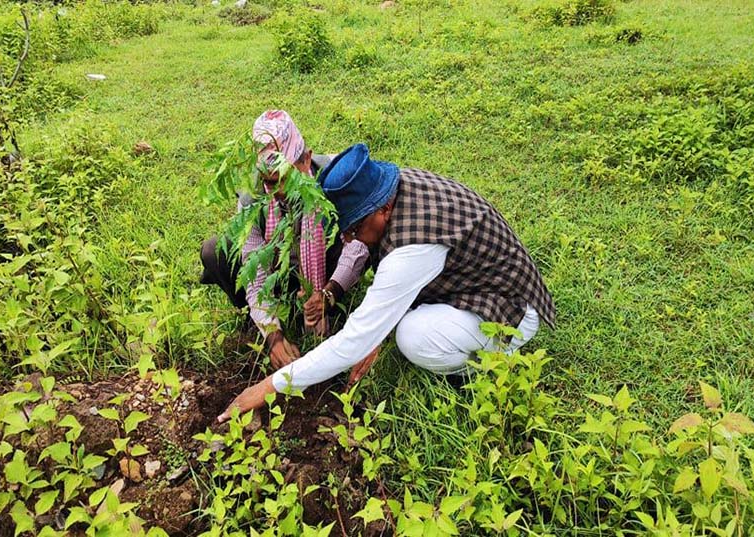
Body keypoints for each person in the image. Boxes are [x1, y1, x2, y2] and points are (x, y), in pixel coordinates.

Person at [217, 143, 556, 422]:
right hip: (473, 282)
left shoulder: (412, 247)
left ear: (381, 211)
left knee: (413, 337)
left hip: (509, 309)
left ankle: (486, 366)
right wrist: (378, 331)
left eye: (354, 230)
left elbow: (351, 342)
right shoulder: (398, 187)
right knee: (396, 324)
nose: (350, 239)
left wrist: (265, 389)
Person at [200, 111, 369, 368]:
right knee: (215, 251)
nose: (279, 192)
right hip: (278, 273)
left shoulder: (333, 177)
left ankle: (327, 308)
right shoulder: (253, 198)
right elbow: (255, 272)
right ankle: (256, 317)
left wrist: (329, 292)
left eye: (286, 179)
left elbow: (357, 244)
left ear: (307, 159)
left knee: (364, 238)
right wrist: (274, 338)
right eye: (270, 182)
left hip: (327, 269)